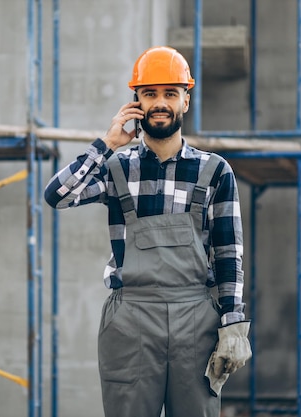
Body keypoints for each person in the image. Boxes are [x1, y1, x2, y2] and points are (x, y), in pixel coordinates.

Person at [43, 46, 252, 417]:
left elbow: (227, 252)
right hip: (131, 319)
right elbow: (57, 195)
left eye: (170, 93)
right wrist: (105, 145)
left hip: (195, 317)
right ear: (135, 102)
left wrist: (233, 324)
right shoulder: (114, 168)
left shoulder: (215, 171)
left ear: (185, 101)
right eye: (149, 93)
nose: (160, 103)